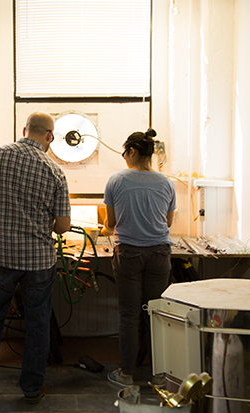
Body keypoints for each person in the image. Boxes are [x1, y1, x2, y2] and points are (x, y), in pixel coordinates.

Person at [0, 111, 71, 404]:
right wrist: (41, 223)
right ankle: (32, 389)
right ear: (49, 136)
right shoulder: (54, 171)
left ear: (24, 129)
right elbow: (62, 227)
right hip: (38, 262)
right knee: (38, 324)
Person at [102, 128, 176, 387]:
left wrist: (105, 228)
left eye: (124, 153)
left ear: (132, 151)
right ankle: (160, 374)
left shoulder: (116, 180)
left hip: (129, 254)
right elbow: (167, 223)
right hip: (159, 253)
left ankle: (127, 374)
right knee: (155, 313)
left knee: (129, 316)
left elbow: (111, 224)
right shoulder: (167, 182)